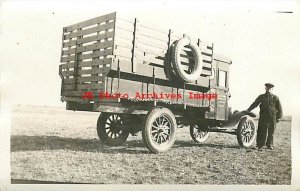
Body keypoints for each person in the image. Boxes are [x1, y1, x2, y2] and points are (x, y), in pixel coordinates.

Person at [246, 83, 282, 150]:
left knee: (271, 131)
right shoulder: (261, 96)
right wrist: (248, 110)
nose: (269, 90)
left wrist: (279, 117)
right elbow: (255, 104)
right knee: (261, 130)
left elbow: (279, 108)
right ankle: (260, 145)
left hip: (272, 117)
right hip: (263, 116)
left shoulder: (276, 97)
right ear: (265, 88)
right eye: (267, 88)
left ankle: (270, 145)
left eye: (270, 88)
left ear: (272, 89)